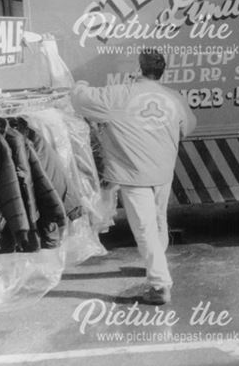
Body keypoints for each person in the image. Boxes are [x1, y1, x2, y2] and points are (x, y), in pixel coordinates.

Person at [70, 49, 196, 305]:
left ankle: (160, 285)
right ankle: (156, 262)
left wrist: (80, 83)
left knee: (145, 228)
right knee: (159, 219)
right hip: (162, 171)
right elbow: (188, 127)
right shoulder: (174, 97)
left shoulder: (118, 94)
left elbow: (80, 100)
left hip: (133, 173)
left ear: (137, 70)